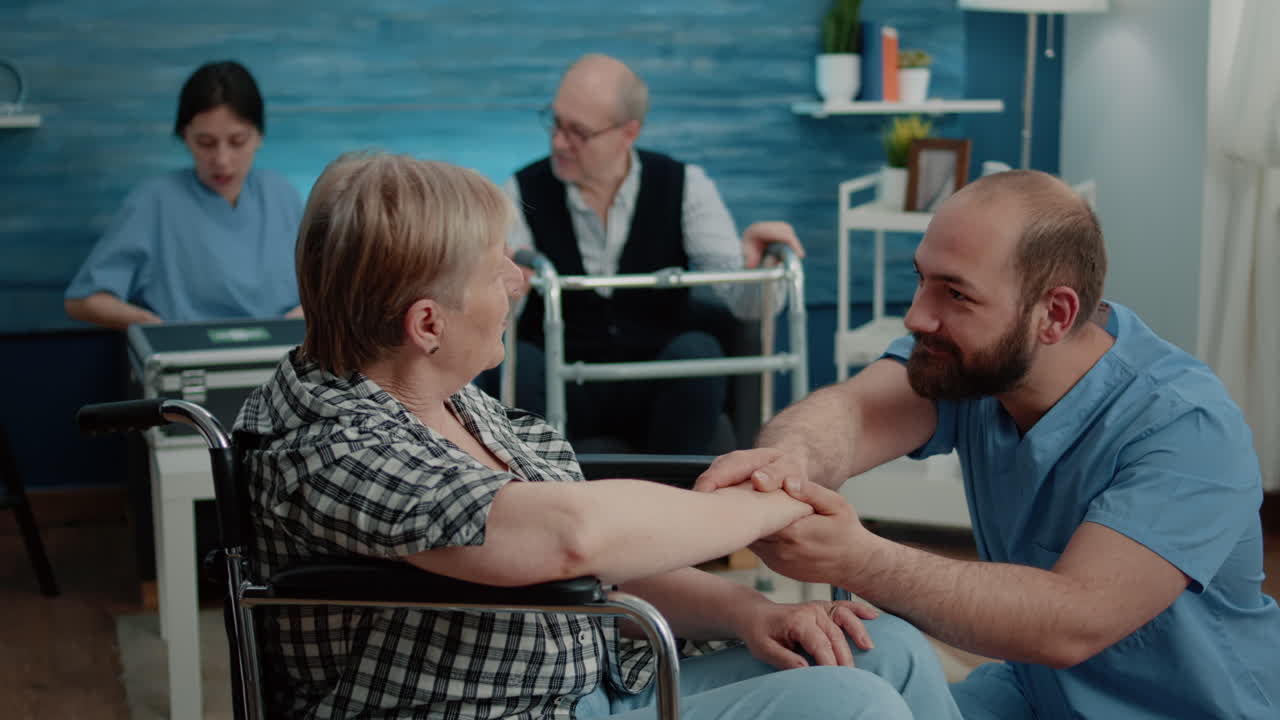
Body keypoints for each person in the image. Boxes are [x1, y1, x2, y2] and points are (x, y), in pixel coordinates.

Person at [234, 151, 961, 719]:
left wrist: (753, 611)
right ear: (428, 325)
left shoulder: (452, 403)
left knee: (880, 650)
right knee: (848, 704)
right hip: (498, 710)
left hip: (597, 681)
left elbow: (598, 568)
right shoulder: (330, 446)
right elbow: (573, 538)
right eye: (498, 272)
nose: (518, 283)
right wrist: (784, 502)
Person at [696, 169, 1280, 719]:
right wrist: (788, 465)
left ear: (1053, 314)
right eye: (921, 279)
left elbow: (1073, 620)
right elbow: (850, 411)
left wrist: (857, 557)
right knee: (864, 680)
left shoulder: (1186, 428)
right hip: (1034, 696)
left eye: (956, 295)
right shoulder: (973, 365)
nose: (918, 315)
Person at [497, 53, 804, 455]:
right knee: (522, 361)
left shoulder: (685, 186)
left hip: (657, 394)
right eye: (555, 122)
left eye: (578, 132)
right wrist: (509, 291)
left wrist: (759, 265)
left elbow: (744, 302)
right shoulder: (519, 192)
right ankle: (541, 499)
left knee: (700, 352)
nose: (558, 142)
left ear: (629, 133)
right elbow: (496, 319)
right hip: (564, 388)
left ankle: (677, 501)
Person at [65, 60, 302, 329]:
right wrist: (153, 328)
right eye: (206, 143)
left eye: (237, 142)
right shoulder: (154, 201)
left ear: (259, 136)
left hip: (282, 360)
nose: (222, 160)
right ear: (184, 136)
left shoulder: (282, 196)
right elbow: (83, 300)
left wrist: (305, 316)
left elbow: (332, 288)